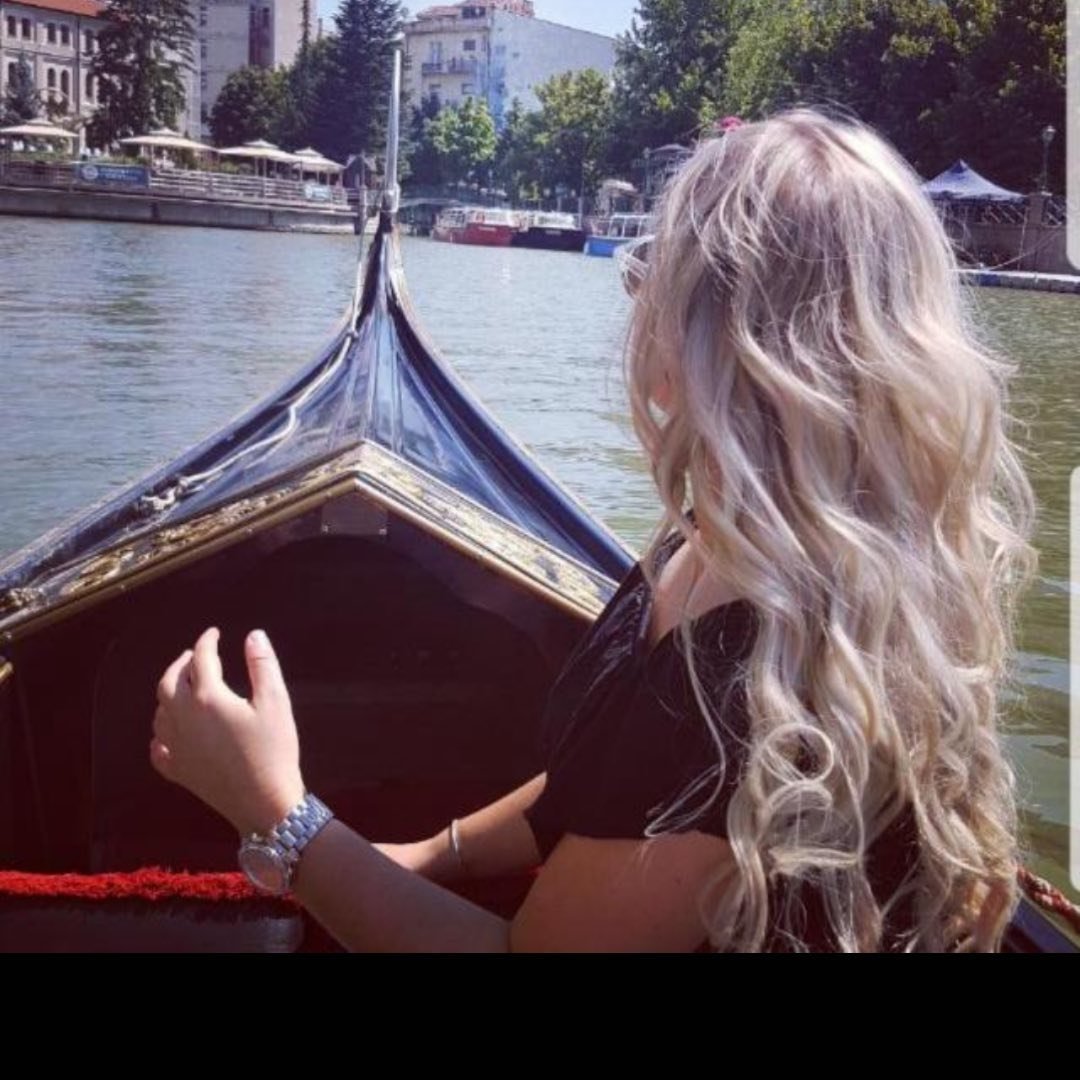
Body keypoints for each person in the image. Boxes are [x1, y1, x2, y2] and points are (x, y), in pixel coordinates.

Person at [151, 109, 1036, 953]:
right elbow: (600, 784)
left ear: (711, 344)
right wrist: (428, 854)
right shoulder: (714, 538)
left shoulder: (755, 670)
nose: (636, 300)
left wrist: (277, 815)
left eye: (652, 274)